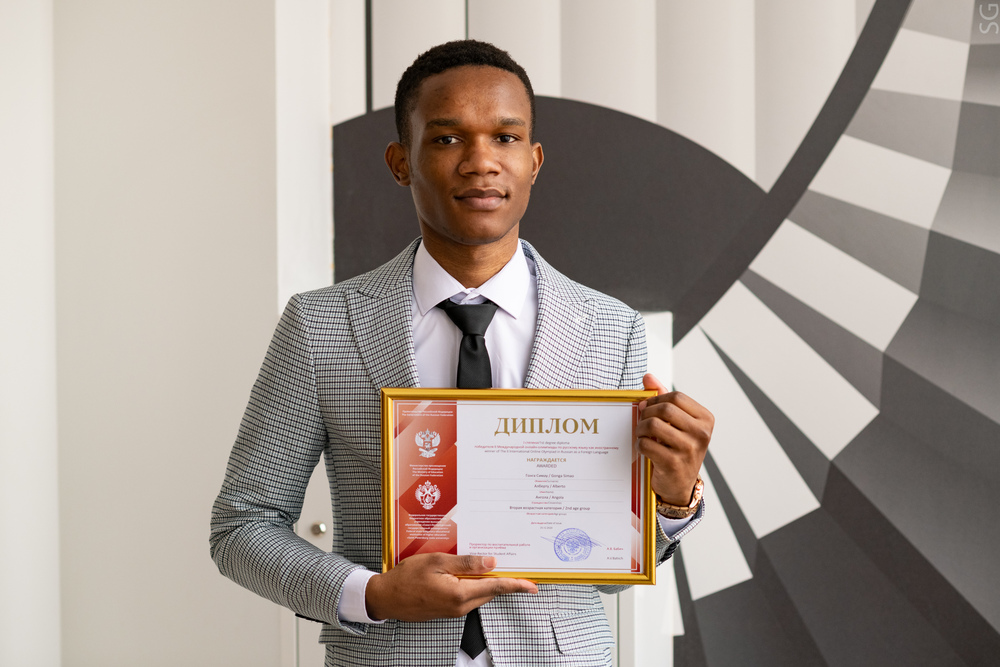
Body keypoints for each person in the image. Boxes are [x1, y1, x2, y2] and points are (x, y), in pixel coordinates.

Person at [211, 40, 713, 667]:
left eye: (505, 138)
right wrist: (372, 594)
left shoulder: (610, 329)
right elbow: (242, 524)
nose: (481, 162)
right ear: (401, 162)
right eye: (448, 139)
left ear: (534, 161)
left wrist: (672, 501)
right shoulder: (321, 325)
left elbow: (606, 571)